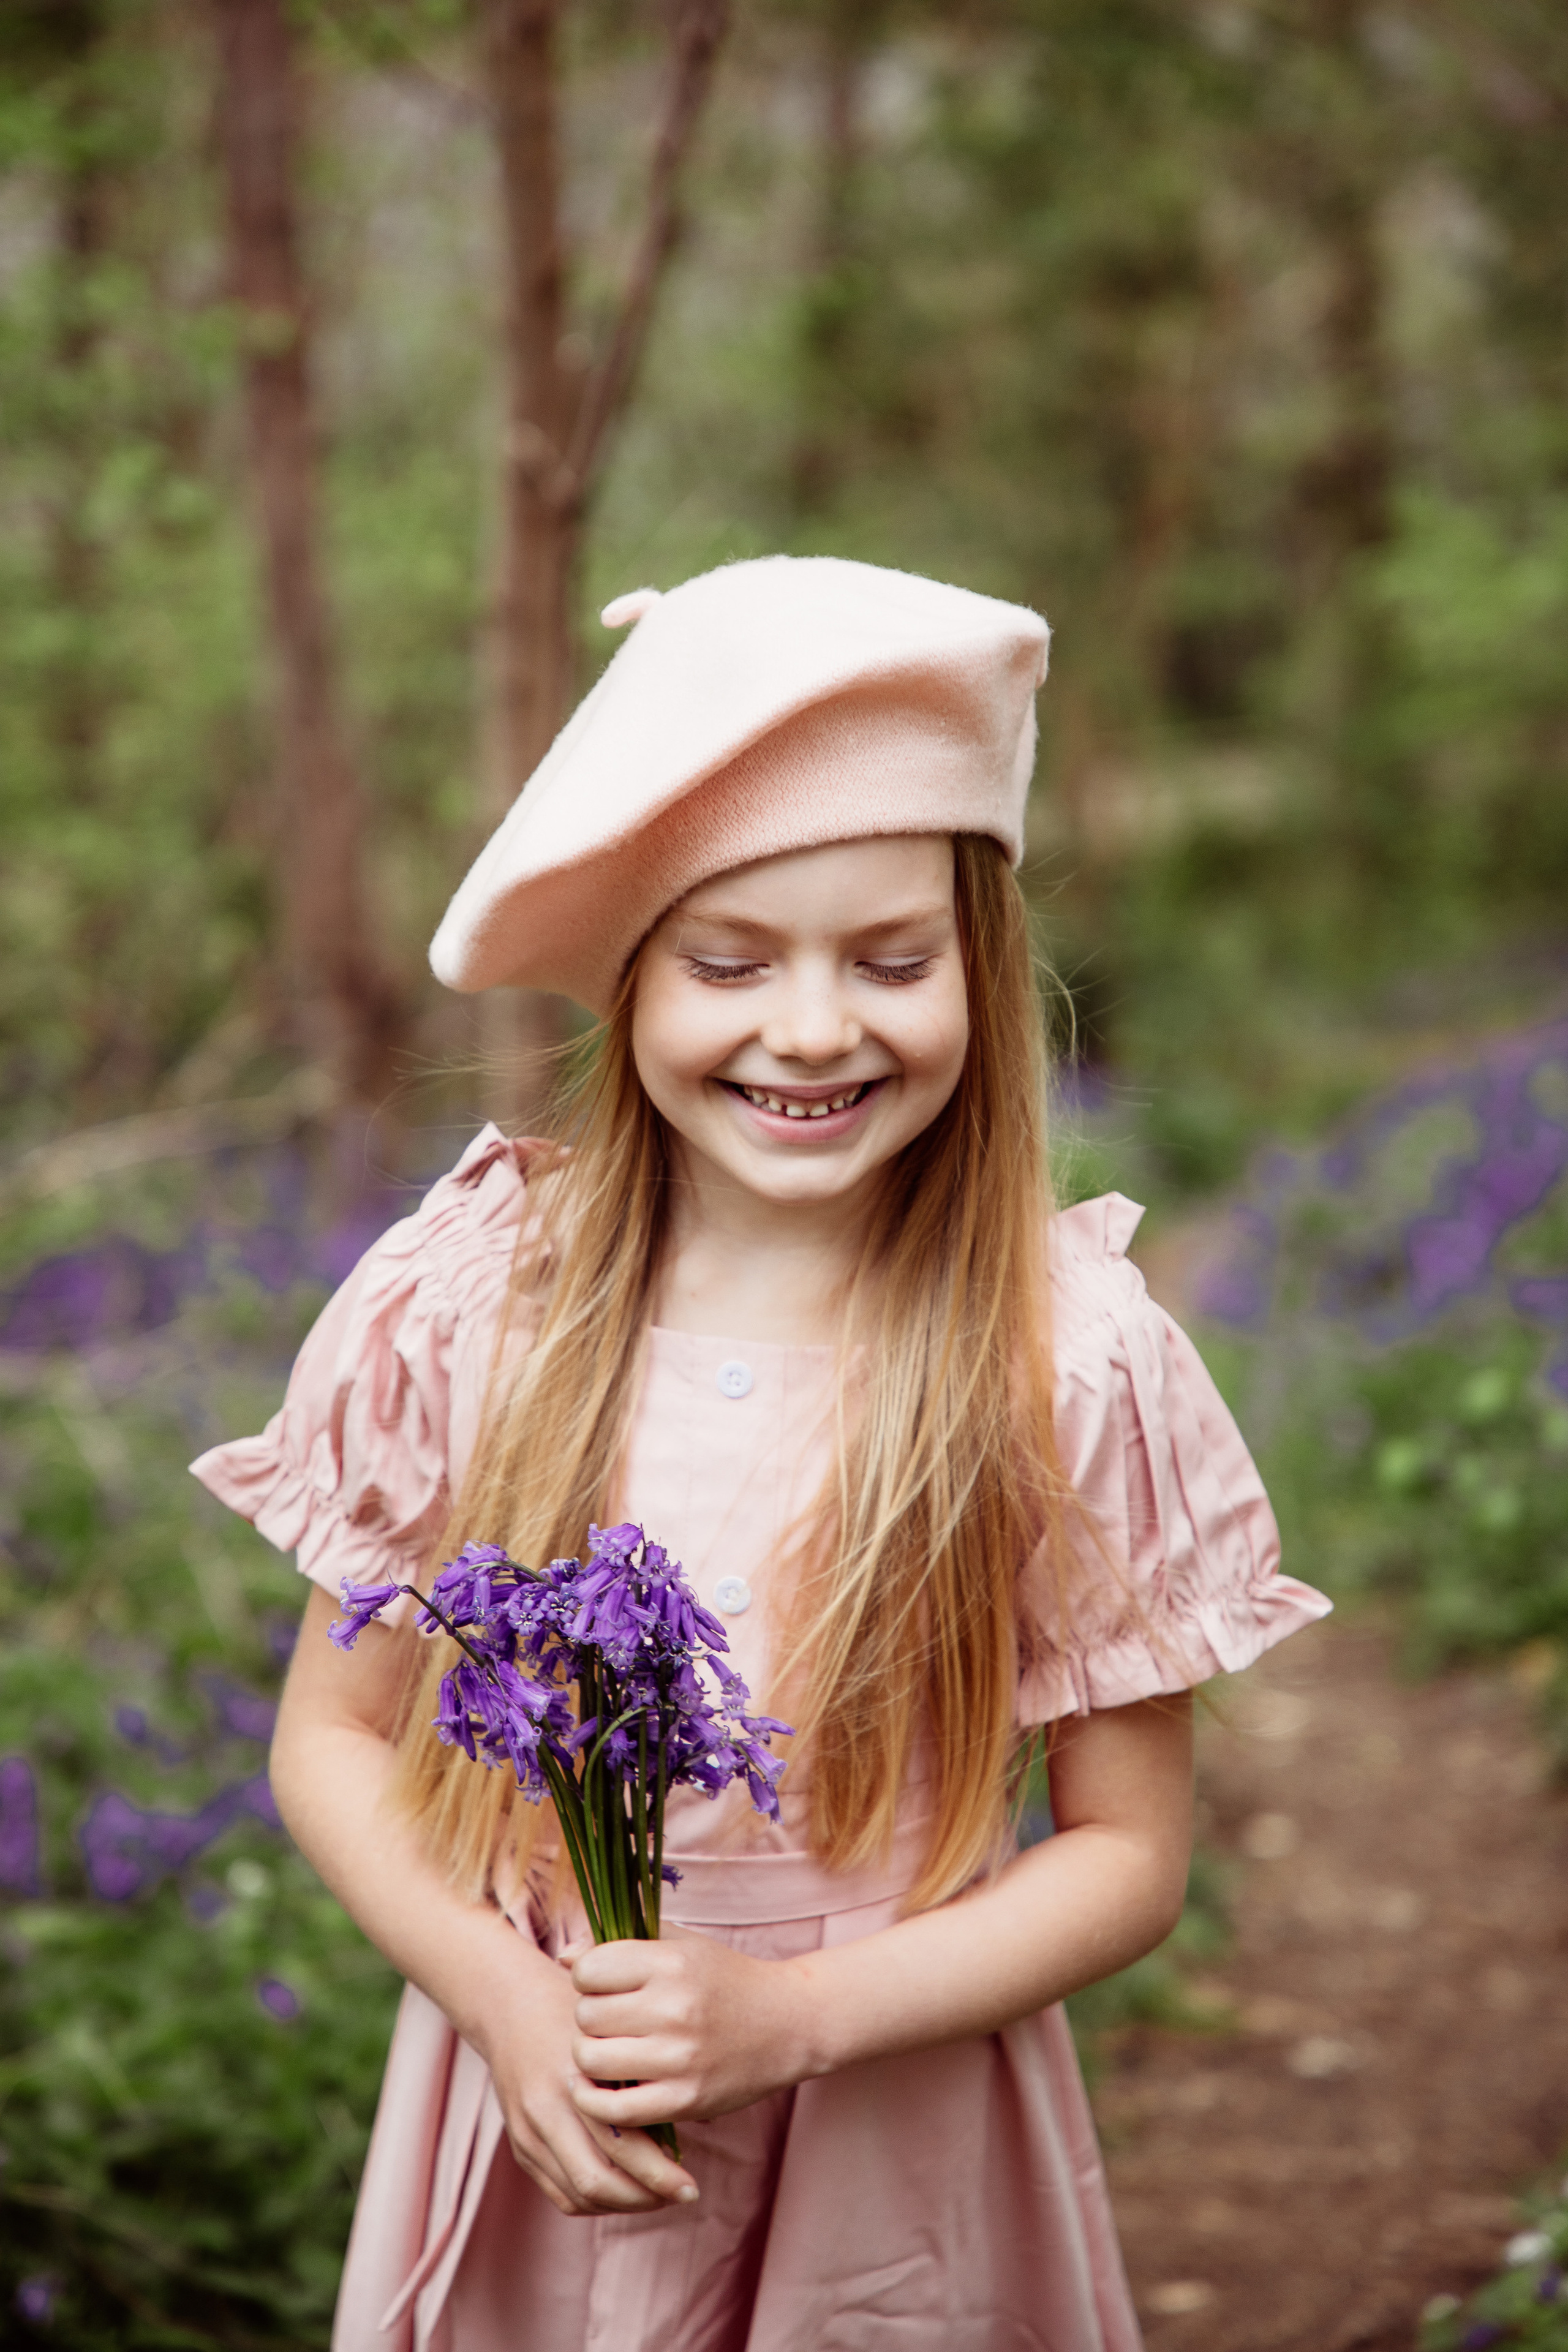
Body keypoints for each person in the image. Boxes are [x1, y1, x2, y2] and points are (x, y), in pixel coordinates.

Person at [192, 555, 1331, 2352]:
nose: (813, 1027)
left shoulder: (1063, 1357)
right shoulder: (485, 1302)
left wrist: (796, 2023)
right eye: (731, 961)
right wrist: (502, 1997)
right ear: (632, 979)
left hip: (892, 2131)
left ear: (982, 971)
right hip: (547, 2107)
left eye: (892, 960)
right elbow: (336, 1738)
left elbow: (1128, 1857)